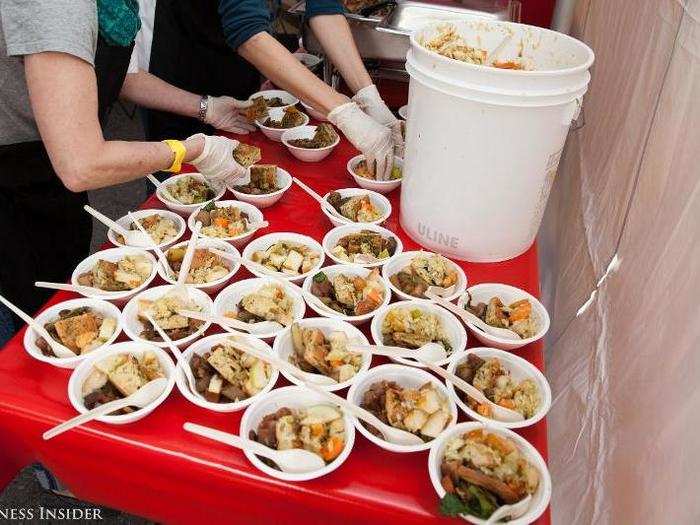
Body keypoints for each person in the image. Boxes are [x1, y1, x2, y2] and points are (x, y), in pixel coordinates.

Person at [0, 0, 249, 327]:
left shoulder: (114, 7)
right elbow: (82, 164)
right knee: (35, 317)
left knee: (62, 270)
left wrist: (207, 108)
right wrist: (191, 150)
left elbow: (121, 77)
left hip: (52, 160)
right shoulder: (57, 5)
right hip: (15, 169)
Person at [149, 1, 403, 180]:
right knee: (181, 183)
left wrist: (368, 95)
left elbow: (324, 8)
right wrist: (344, 112)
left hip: (238, 66)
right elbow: (247, 32)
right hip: (182, 74)